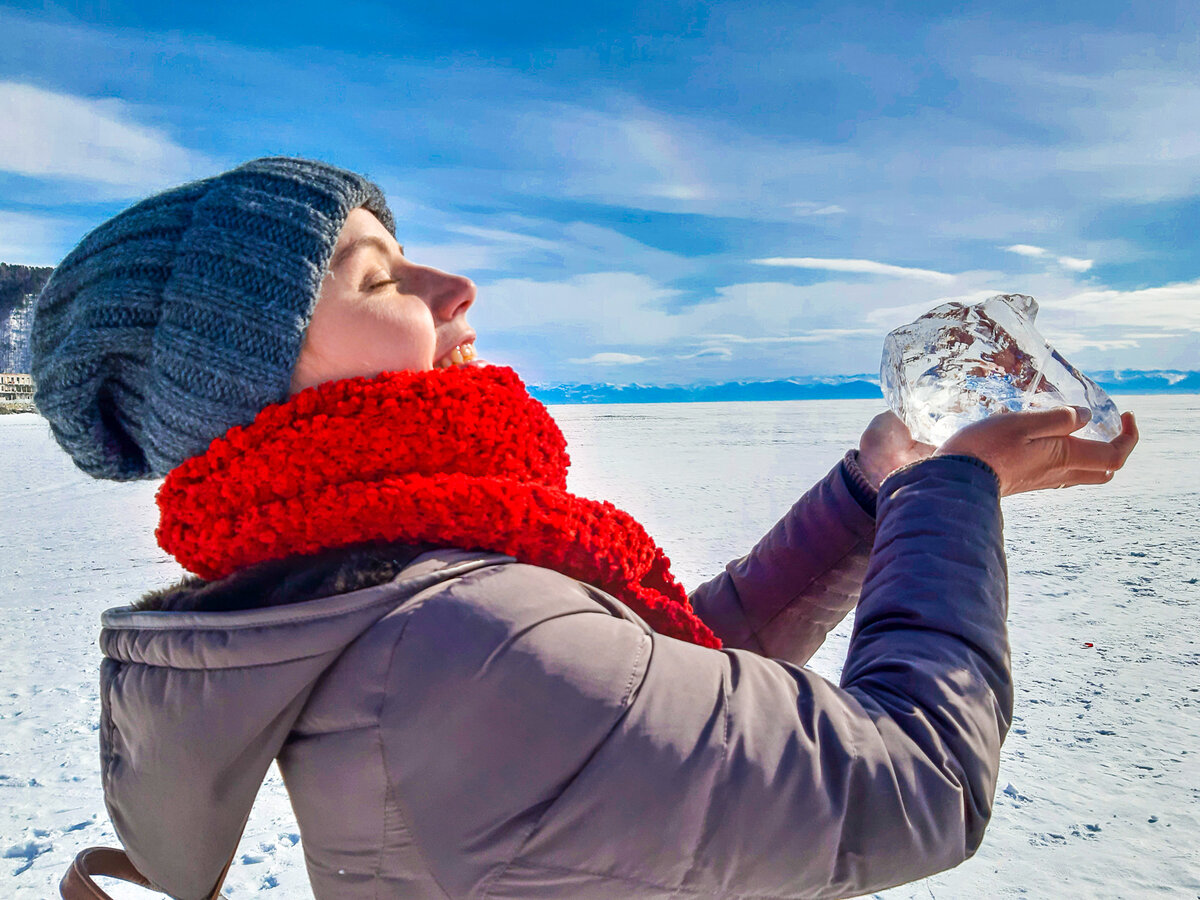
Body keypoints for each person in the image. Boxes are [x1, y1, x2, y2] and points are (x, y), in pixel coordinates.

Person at [33, 157, 1138, 900]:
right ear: (257, 386)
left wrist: (873, 492)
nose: (456, 285)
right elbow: (914, 783)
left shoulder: (377, 582)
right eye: (379, 278)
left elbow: (648, 696)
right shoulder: (452, 639)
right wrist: (953, 498)